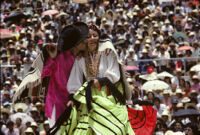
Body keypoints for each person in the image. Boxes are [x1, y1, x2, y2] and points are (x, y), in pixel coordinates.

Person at [61, 25, 133, 135]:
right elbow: (75, 79)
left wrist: (102, 80)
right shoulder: (80, 58)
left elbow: (114, 72)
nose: (92, 38)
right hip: (90, 98)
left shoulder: (107, 52)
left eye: (95, 35)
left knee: (113, 128)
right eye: (88, 36)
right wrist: (72, 97)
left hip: (108, 95)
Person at [40, 22, 89, 127]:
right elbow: (44, 74)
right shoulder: (59, 56)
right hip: (57, 103)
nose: (85, 42)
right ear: (76, 43)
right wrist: (51, 59)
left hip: (74, 102)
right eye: (82, 40)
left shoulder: (81, 58)